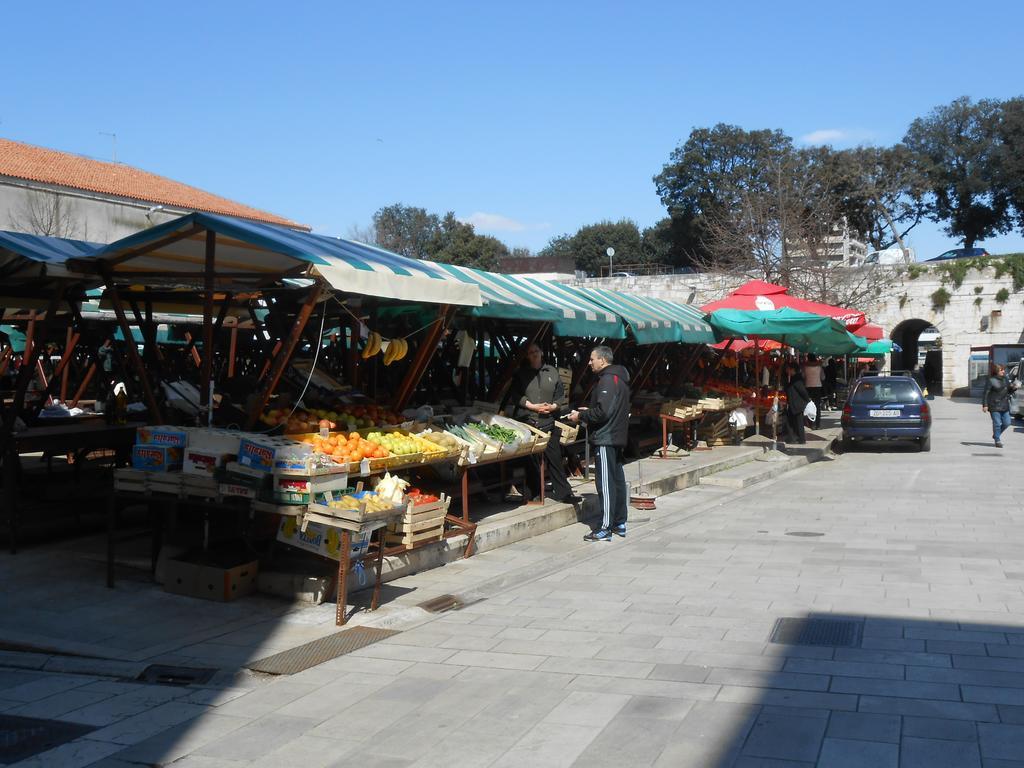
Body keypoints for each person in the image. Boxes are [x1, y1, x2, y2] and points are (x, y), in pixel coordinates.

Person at [568, 345, 630, 541]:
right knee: (617, 481)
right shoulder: (618, 378)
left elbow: (602, 412)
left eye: (592, 359)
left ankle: (605, 527)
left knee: (606, 484)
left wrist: (581, 415)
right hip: (616, 437)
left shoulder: (607, 380)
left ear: (602, 360)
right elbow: (608, 408)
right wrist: (592, 409)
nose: (589, 362)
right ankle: (620, 522)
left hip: (606, 438)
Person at [508, 343, 578, 503]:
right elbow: (515, 395)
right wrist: (533, 406)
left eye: (536, 351)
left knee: (555, 458)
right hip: (529, 421)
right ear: (526, 355)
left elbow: (560, 394)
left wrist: (553, 406)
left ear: (541, 352)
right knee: (531, 461)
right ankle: (533, 493)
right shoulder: (521, 374)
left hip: (549, 420)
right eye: (530, 352)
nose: (534, 354)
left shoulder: (552, 371)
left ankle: (564, 493)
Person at [982, 362, 1016, 448]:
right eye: (1002, 370)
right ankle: (997, 440)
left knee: (1007, 423)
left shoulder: (1005, 379)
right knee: (997, 423)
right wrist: (985, 405)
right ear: (997, 371)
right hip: (994, 405)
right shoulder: (991, 380)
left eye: (1004, 370)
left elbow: (1009, 390)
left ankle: (996, 434)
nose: (1003, 371)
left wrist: (1013, 388)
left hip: (1004, 405)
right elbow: (986, 393)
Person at [782, 361, 810, 445]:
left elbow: (803, 391)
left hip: (797, 404)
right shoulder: (793, 378)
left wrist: (807, 400)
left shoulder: (797, 379)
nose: (787, 370)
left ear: (792, 369)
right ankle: (794, 438)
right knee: (793, 422)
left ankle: (801, 439)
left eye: (788, 369)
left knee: (799, 422)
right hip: (793, 404)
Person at [803, 354, 823, 428]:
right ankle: (817, 424)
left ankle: (810, 423)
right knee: (817, 406)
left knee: (808, 405)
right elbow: (823, 377)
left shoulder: (805, 366)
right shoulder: (819, 366)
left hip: (808, 387)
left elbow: (803, 376)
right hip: (818, 387)